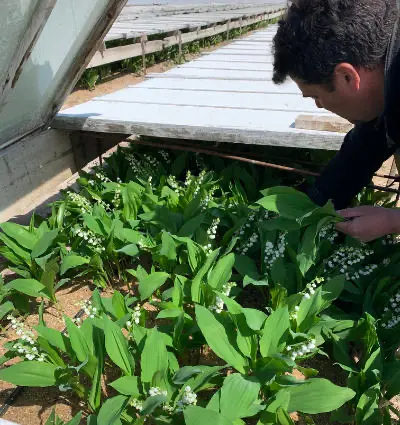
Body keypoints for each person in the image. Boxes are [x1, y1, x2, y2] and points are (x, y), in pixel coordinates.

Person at [272, 0, 400, 242]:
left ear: (346, 77)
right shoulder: (387, 76)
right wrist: (314, 208)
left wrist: (393, 221)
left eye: (316, 96)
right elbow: (363, 150)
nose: (319, 105)